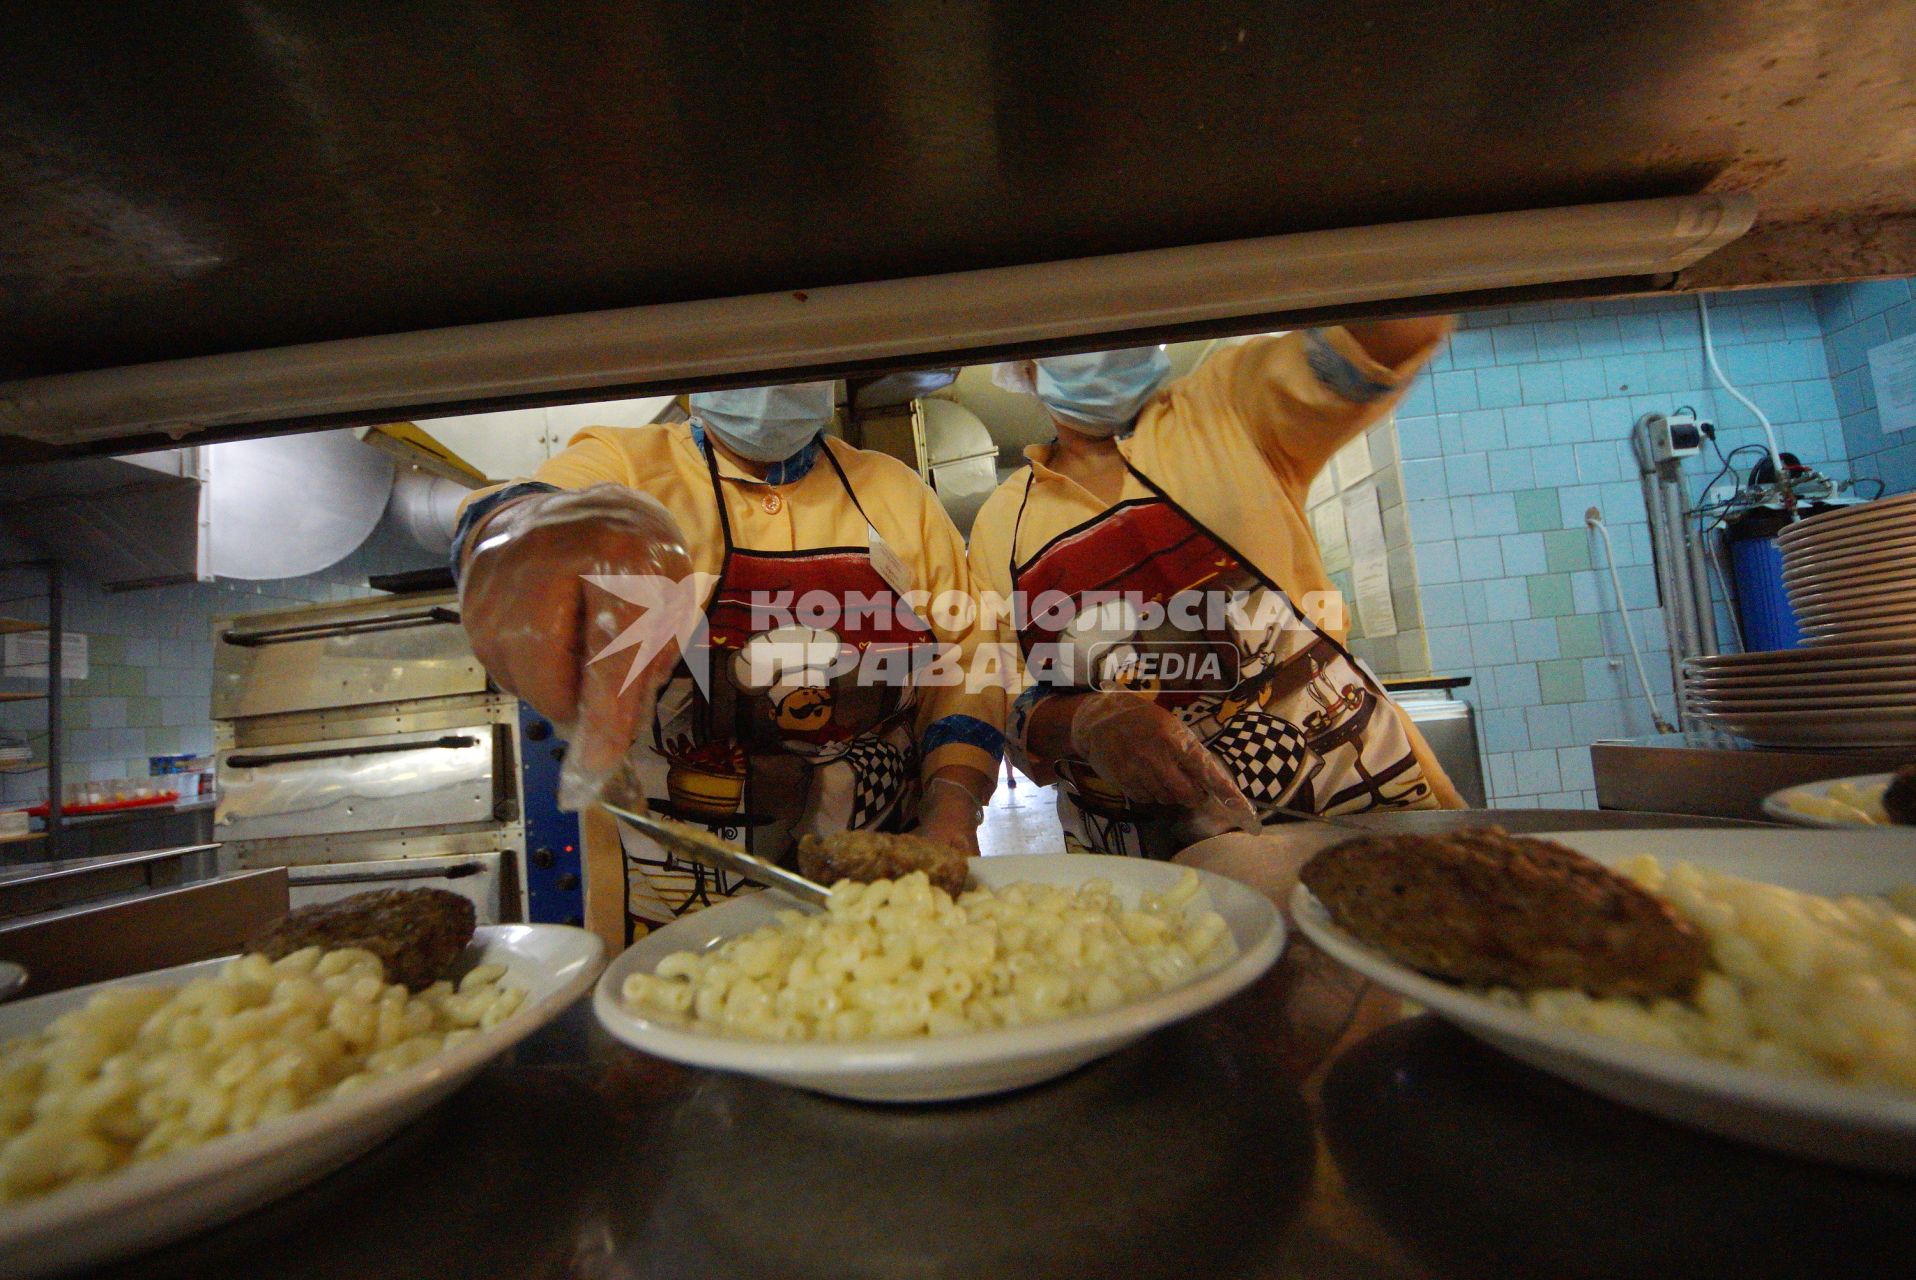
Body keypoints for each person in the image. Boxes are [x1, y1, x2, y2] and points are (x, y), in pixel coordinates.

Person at [456, 383, 1004, 942]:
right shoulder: (625, 467)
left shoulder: (896, 494)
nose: (768, 384)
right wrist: (515, 533)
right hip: (673, 926)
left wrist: (954, 798)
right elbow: (517, 506)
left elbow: (966, 661)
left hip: (886, 909)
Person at [966, 321, 1463, 861]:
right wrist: (1088, 724)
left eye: (1124, 310)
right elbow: (1006, 702)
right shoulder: (1003, 528)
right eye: (1075, 323)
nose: (1106, 336)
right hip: (1148, 863)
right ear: (1025, 365)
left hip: (1354, 801)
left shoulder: (1227, 409)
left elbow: (1381, 342)